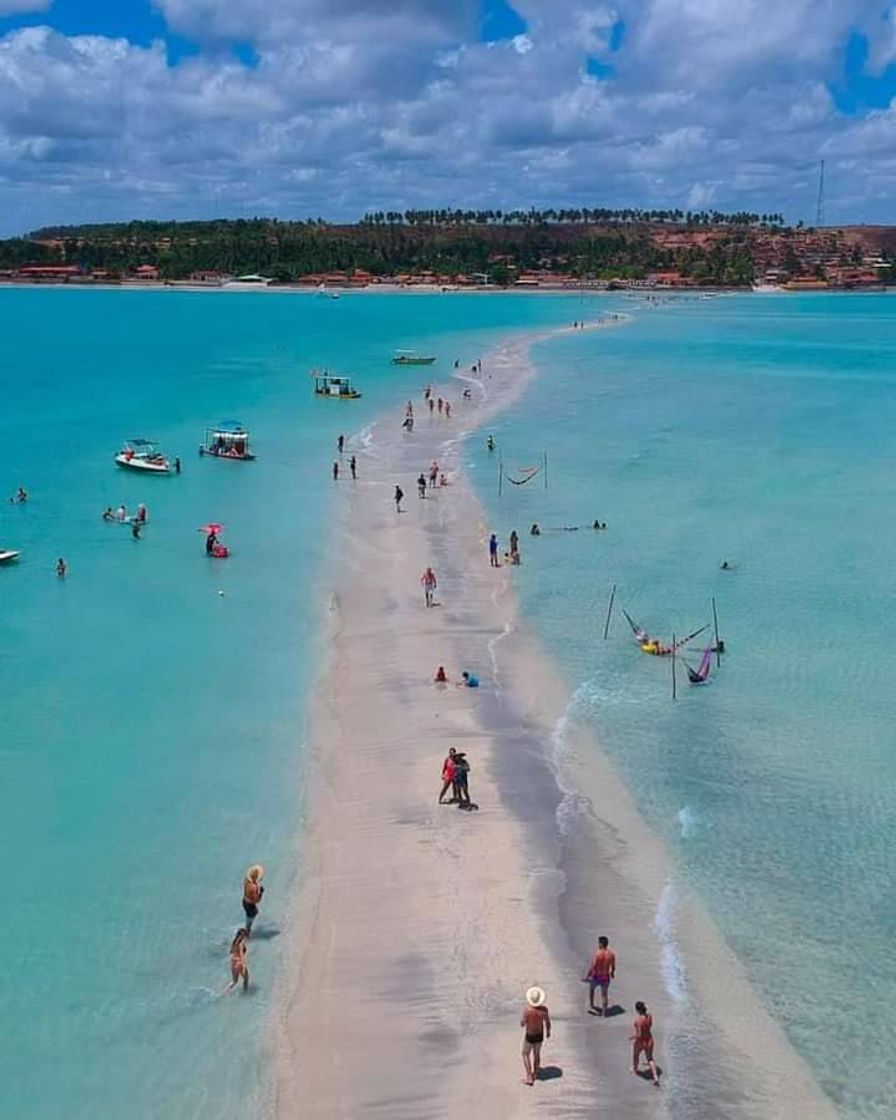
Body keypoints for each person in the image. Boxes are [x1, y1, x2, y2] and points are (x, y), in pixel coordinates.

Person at [520, 987, 551, 1086]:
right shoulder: (544, 1010)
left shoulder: (527, 1010)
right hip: (539, 1034)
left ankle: (529, 1076)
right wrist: (548, 1032)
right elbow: (548, 1023)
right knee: (536, 1054)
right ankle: (536, 1073)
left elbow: (523, 1023)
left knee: (525, 1054)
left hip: (530, 1034)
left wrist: (523, 1022)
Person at [584, 936, 616, 1015]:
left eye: (599, 943)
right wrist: (612, 973)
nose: (598, 944)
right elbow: (613, 966)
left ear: (601, 944)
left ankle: (592, 1005)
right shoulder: (611, 954)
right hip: (605, 976)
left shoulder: (597, 954)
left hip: (596, 976)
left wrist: (587, 976)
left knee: (591, 990)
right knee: (604, 994)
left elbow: (593, 966)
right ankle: (604, 1013)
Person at [631, 1001, 660, 1085]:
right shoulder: (649, 1016)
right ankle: (655, 1077)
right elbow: (650, 1025)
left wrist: (633, 1037)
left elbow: (639, 1034)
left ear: (637, 1010)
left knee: (636, 1055)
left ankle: (635, 1069)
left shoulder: (638, 1020)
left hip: (641, 1041)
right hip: (649, 1039)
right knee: (650, 1058)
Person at [225, 928, 250, 994]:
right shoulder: (241, 944)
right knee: (246, 978)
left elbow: (231, 952)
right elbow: (242, 955)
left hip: (233, 963)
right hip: (239, 963)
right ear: (243, 935)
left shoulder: (234, 942)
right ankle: (245, 993)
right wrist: (244, 966)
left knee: (234, 982)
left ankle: (225, 992)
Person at [242, 864, 265, 933]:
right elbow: (256, 901)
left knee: (250, 915)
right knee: (252, 915)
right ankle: (247, 930)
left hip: (244, 901)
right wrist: (260, 893)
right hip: (250, 905)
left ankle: (247, 928)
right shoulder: (254, 887)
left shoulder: (247, 881)